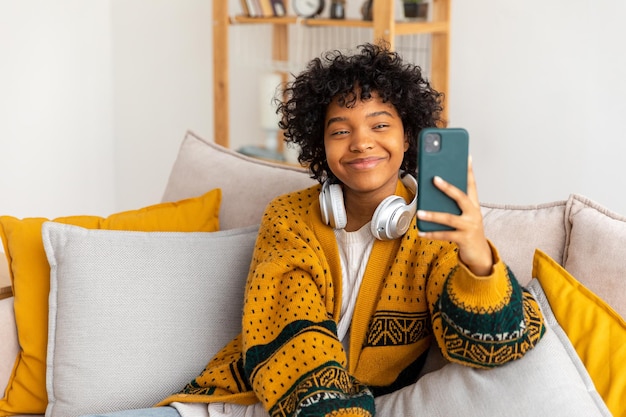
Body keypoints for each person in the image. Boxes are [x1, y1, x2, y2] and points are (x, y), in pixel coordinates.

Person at [82, 42, 545, 417]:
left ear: (408, 137)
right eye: (340, 130)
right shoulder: (288, 218)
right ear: (321, 146)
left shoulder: (435, 231)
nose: (361, 141)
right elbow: (292, 337)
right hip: (229, 407)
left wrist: (477, 258)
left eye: (380, 125)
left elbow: (495, 350)